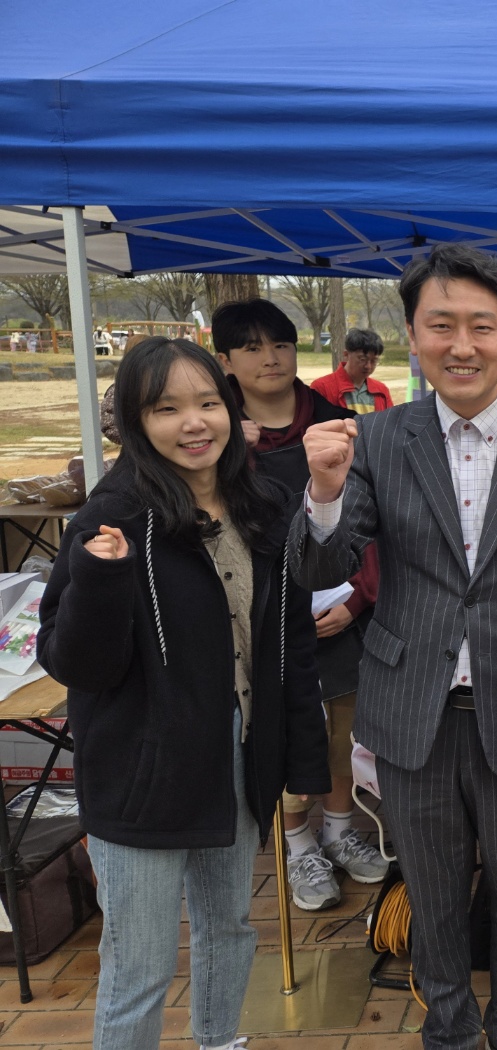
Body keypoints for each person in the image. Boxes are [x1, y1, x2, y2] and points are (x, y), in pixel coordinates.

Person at [289, 243, 497, 1050]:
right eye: (442, 325)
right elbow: (322, 565)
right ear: (412, 333)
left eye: (481, 325)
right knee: (431, 894)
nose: (461, 345)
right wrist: (324, 494)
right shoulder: (376, 440)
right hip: (411, 714)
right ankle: (450, 1031)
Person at [36, 337, 329, 1050]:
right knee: (138, 963)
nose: (193, 423)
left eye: (206, 403)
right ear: (137, 423)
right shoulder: (109, 518)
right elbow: (78, 664)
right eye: (166, 409)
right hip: (144, 771)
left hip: (239, 756)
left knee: (229, 926)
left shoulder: (262, 505)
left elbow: (288, 642)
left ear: (230, 408)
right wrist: (101, 579)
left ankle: (220, 1039)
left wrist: (302, 760)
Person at [213, 298, 387, 910]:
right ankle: (296, 844)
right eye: (253, 348)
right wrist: (231, 445)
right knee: (283, 729)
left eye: (281, 345)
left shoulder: (340, 421)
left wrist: (362, 596)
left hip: (339, 610)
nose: (271, 358)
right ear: (226, 360)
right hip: (257, 615)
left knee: (343, 729)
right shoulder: (213, 433)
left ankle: (341, 829)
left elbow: (375, 520)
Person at [311, 328, 395, 414]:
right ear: (346, 355)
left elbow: (391, 423)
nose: (368, 366)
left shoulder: (381, 391)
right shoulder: (321, 388)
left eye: (374, 361)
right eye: (362, 359)